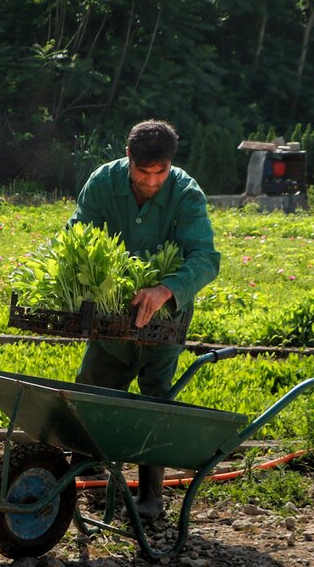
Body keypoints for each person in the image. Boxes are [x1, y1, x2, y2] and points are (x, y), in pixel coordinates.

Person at [67, 119, 220, 519]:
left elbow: (204, 258)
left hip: (163, 323)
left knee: (155, 400)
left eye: (160, 172)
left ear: (170, 164)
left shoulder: (185, 192)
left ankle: (151, 495)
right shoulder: (103, 182)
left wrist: (164, 289)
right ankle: (83, 478)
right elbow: (77, 236)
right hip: (110, 320)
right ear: (128, 157)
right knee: (93, 392)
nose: (152, 181)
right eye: (143, 172)